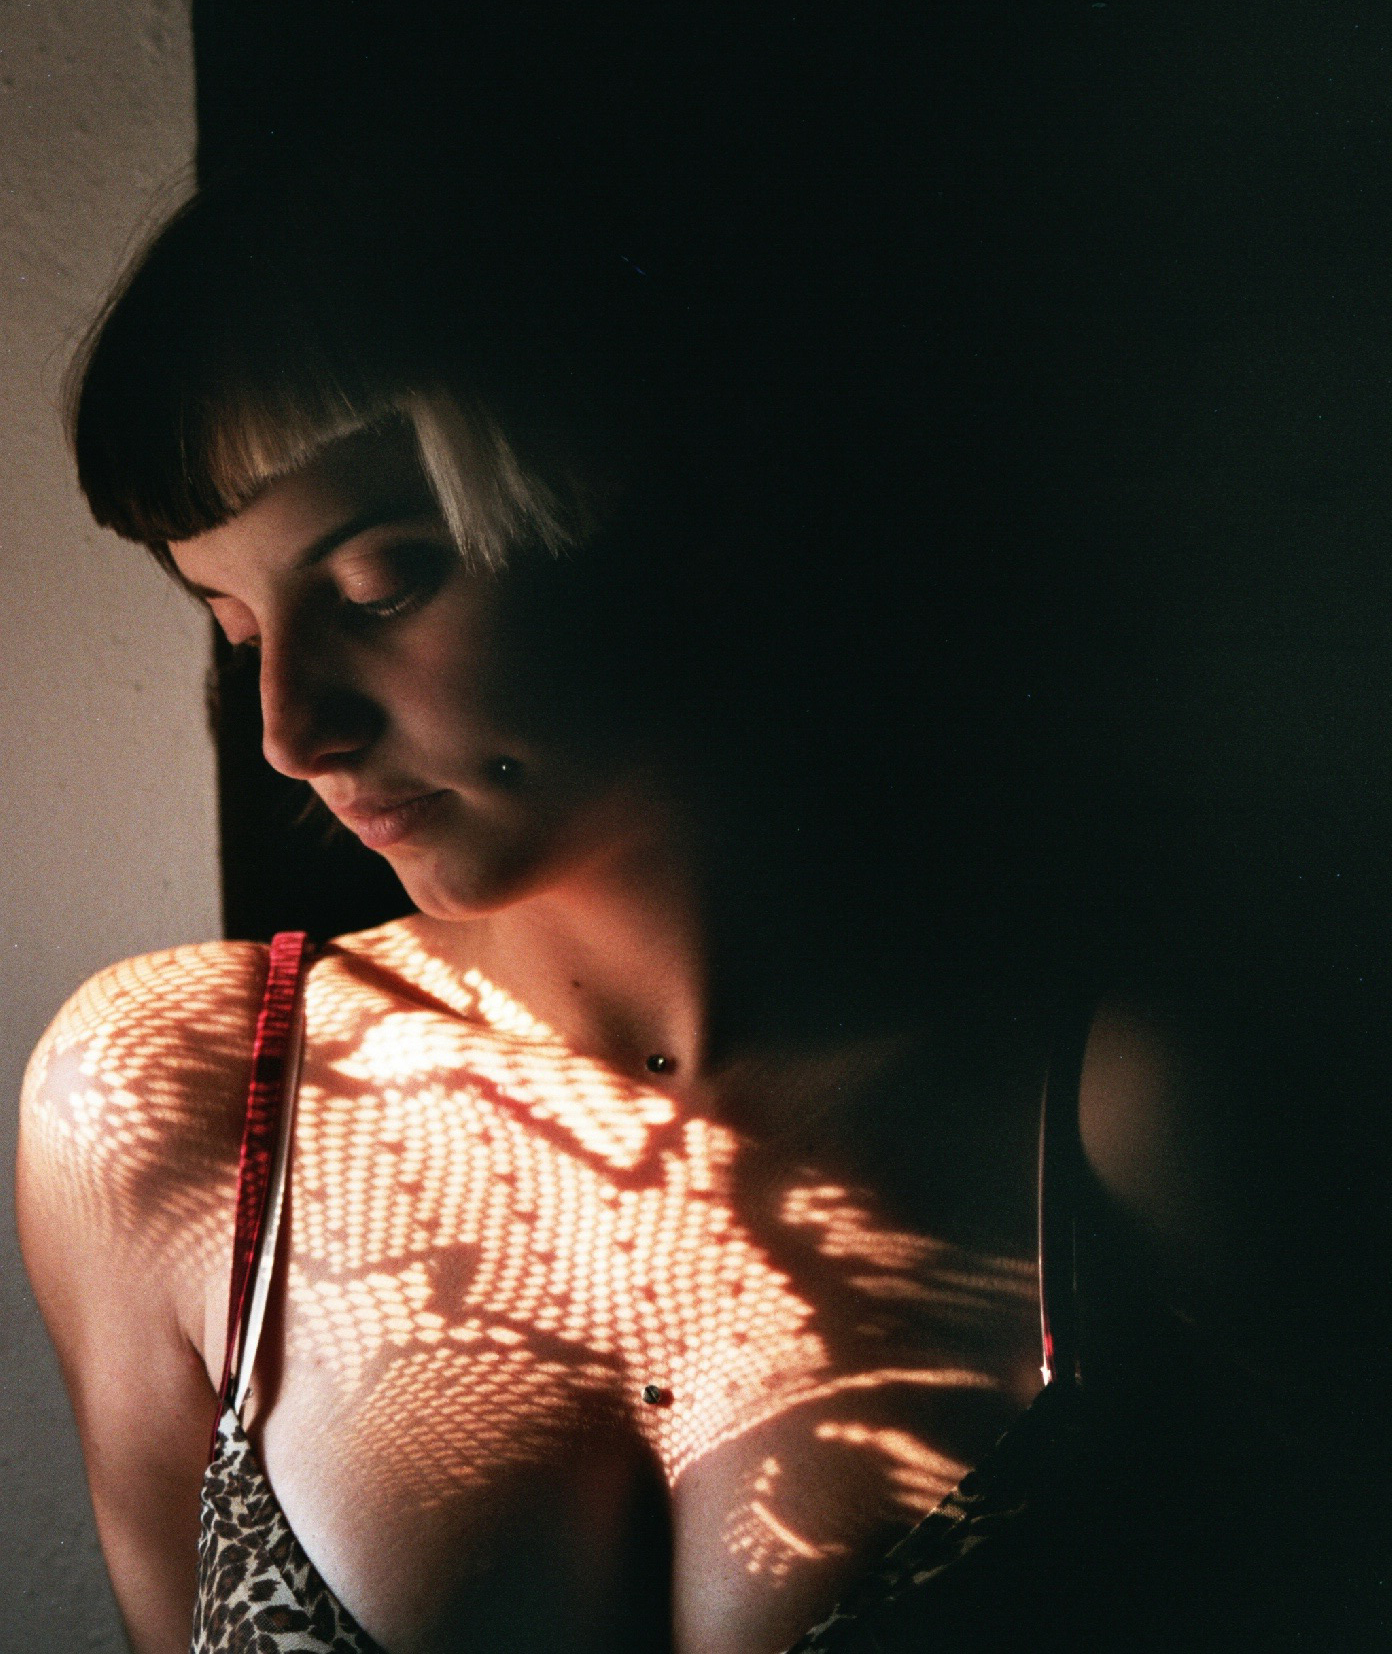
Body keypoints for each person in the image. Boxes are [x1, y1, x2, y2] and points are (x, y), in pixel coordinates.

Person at [15, 134, 1300, 1653]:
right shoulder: (178, 1101)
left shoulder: (1125, 1116)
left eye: (381, 586)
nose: (291, 730)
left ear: (670, 511)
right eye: (233, 626)